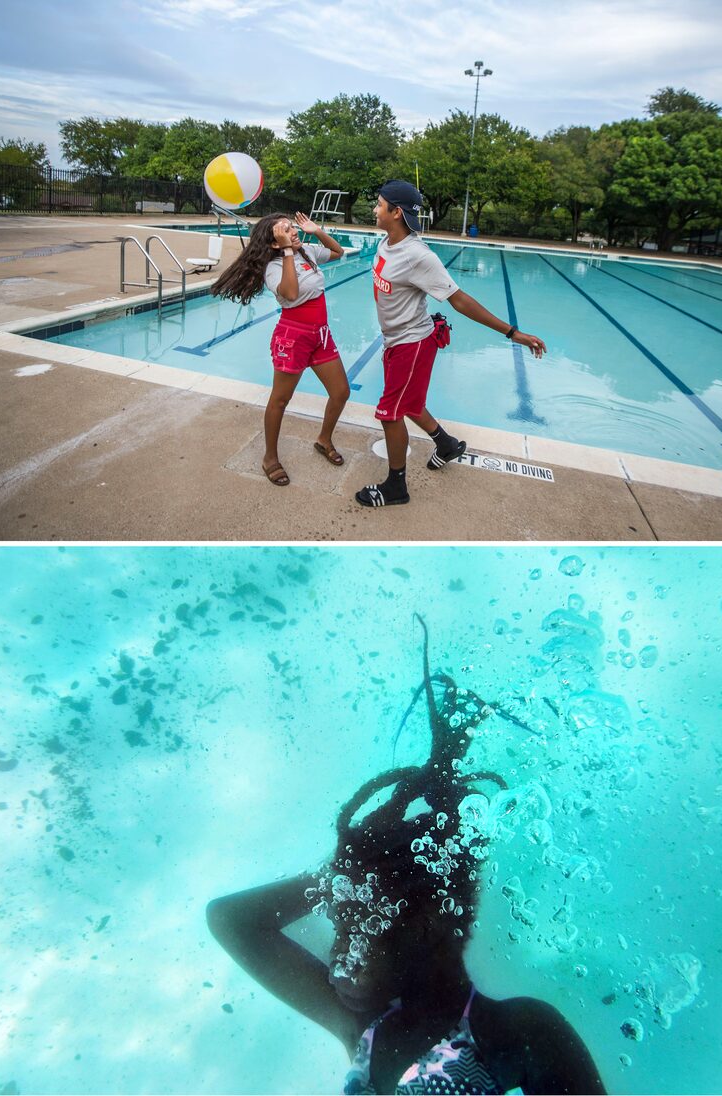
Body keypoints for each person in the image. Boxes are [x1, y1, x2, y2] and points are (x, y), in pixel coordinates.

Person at [207, 616, 605, 1095]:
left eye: (356, 932)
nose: (336, 959)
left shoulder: (519, 1031)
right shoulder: (361, 1029)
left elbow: (233, 921)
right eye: (341, 932)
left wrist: (360, 873)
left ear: (424, 930)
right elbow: (231, 919)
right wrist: (346, 870)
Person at [355, 181, 548, 509]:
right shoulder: (386, 243)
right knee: (410, 402)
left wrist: (511, 332)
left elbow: (459, 300)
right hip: (396, 341)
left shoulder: (418, 256)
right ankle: (445, 444)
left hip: (411, 344)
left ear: (396, 212)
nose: (375, 209)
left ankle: (396, 487)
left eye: (379, 204)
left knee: (390, 413)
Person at [212, 212, 350, 487]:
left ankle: (324, 439)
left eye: (293, 226)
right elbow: (289, 293)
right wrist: (288, 251)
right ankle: (270, 458)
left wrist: (316, 230)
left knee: (341, 392)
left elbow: (338, 252)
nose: (294, 231)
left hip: (320, 335)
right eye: (286, 230)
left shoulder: (307, 251)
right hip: (293, 337)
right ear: (276, 243)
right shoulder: (274, 266)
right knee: (280, 399)